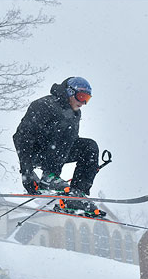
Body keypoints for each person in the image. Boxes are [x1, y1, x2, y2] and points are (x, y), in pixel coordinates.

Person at [13, 76, 104, 215]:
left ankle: (76, 194)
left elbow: (71, 140)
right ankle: (49, 176)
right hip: (36, 150)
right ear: (70, 92)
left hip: (58, 151)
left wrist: (89, 166)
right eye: (81, 96)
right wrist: (27, 171)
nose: (83, 103)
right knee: (64, 126)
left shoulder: (75, 113)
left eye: (87, 98)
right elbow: (22, 137)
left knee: (89, 147)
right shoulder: (44, 105)